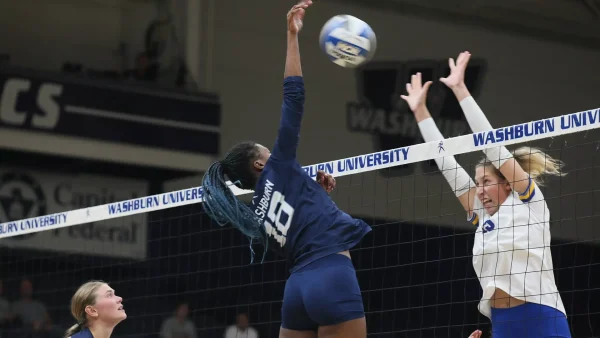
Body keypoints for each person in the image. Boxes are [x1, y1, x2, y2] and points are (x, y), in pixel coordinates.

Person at [200, 1, 371, 337]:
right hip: (331, 275)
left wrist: (316, 193)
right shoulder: (278, 166)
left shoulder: (258, 213)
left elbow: (301, 222)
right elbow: (294, 96)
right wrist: (292, 36)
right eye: (266, 149)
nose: (271, 149)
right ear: (260, 163)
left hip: (297, 293)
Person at [400, 52, 571, 338]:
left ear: (507, 183)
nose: (478, 189)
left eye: (486, 181)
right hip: (502, 324)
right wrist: (420, 112)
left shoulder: (530, 204)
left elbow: (493, 147)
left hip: (542, 318)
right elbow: (446, 162)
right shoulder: (482, 215)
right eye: (476, 182)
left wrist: (460, 89)